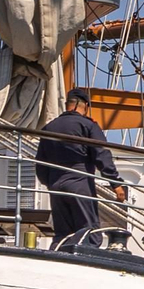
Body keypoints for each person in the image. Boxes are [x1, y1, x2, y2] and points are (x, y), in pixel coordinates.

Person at [35, 89, 127, 246]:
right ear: (83, 105)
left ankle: (59, 259)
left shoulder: (49, 127)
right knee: (88, 232)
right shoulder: (87, 125)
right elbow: (101, 154)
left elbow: (41, 164)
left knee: (63, 234)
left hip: (56, 185)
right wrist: (116, 183)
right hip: (79, 182)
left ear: (68, 104)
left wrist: (51, 183)